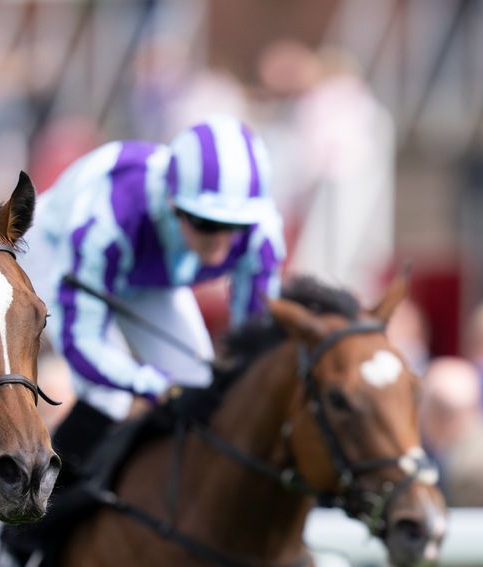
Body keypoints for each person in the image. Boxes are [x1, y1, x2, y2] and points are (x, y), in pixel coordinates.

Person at [20, 114, 285, 477]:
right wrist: (157, 387)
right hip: (54, 255)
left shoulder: (262, 233)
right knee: (108, 397)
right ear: (174, 205)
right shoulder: (109, 217)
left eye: (236, 227)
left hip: (144, 273)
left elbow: (255, 347)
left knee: (199, 385)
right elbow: (83, 343)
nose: (221, 242)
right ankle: (32, 516)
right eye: (207, 223)